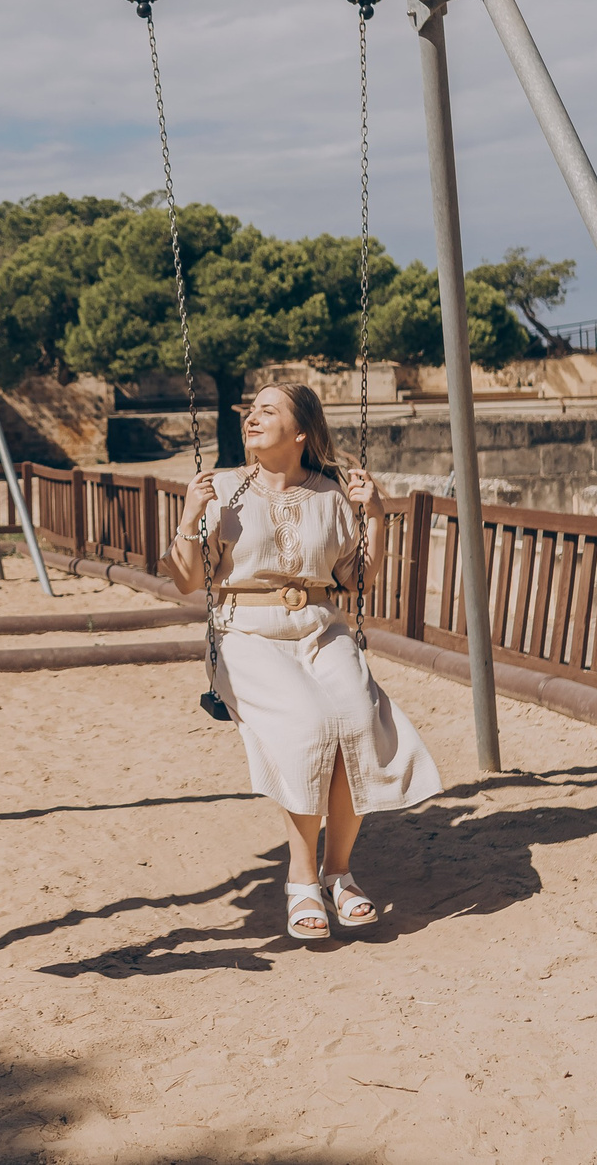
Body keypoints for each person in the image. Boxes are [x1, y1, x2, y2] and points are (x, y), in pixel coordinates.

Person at [166, 383, 443, 940]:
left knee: (360, 723)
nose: (251, 417)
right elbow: (188, 580)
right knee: (311, 726)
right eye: (250, 410)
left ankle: (339, 872)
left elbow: (356, 581)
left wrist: (377, 517)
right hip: (245, 631)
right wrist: (190, 515)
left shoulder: (331, 493)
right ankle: (301, 881)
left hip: (320, 628)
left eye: (268, 410)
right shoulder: (220, 488)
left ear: (299, 433)